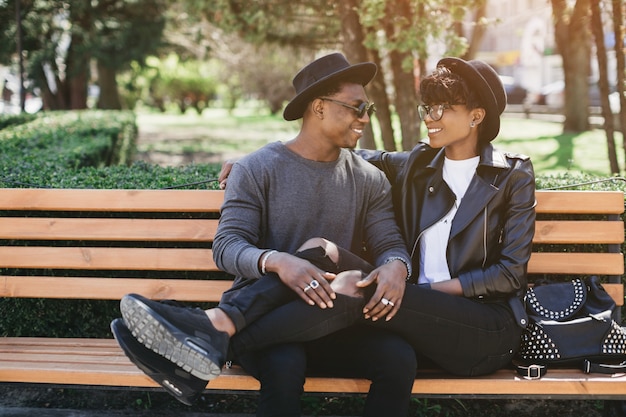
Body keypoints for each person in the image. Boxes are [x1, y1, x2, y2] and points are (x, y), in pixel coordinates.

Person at [112, 52, 417, 417]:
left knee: (398, 358)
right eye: (356, 107)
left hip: (330, 317)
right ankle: (210, 334)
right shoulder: (257, 168)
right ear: (319, 107)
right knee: (284, 364)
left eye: (367, 108)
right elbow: (227, 246)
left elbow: (389, 243)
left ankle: (206, 336)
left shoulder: (368, 178)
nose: (365, 117)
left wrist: (396, 266)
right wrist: (277, 261)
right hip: (266, 323)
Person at [204, 57, 536, 377]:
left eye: (443, 108)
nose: (430, 117)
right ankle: (219, 330)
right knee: (326, 254)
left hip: (485, 326)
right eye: (428, 107)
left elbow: (509, 274)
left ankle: (216, 339)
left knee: (354, 286)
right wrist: (250, 162)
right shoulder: (418, 165)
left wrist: (424, 292)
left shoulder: (512, 175)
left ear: (476, 116)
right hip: (413, 315)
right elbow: (326, 148)